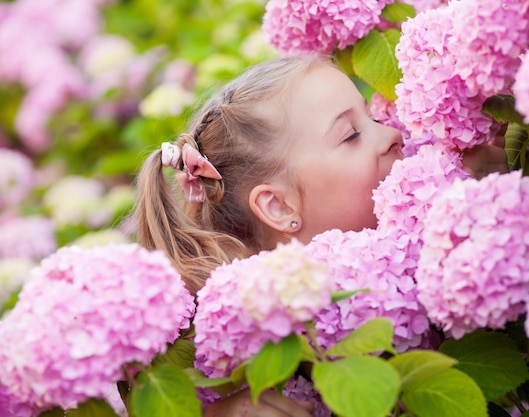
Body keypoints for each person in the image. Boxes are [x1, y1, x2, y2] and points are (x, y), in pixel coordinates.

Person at [133, 55, 508, 416]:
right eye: (350, 136)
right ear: (279, 207)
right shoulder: (240, 368)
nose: (392, 133)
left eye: (373, 116)